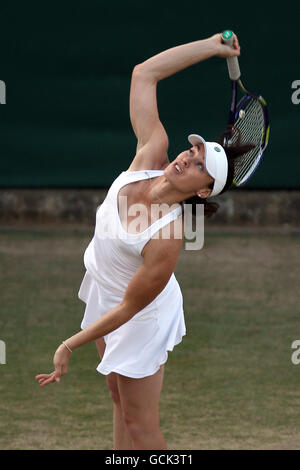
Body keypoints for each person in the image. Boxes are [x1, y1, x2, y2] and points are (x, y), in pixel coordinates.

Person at [36, 33, 245, 450]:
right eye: (194, 150)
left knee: (141, 425)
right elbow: (144, 75)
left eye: (199, 165)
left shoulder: (166, 238)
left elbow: (132, 307)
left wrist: (67, 345)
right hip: (104, 291)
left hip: (140, 320)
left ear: (203, 192)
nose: (187, 157)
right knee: (118, 399)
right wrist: (211, 47)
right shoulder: (151, 155)